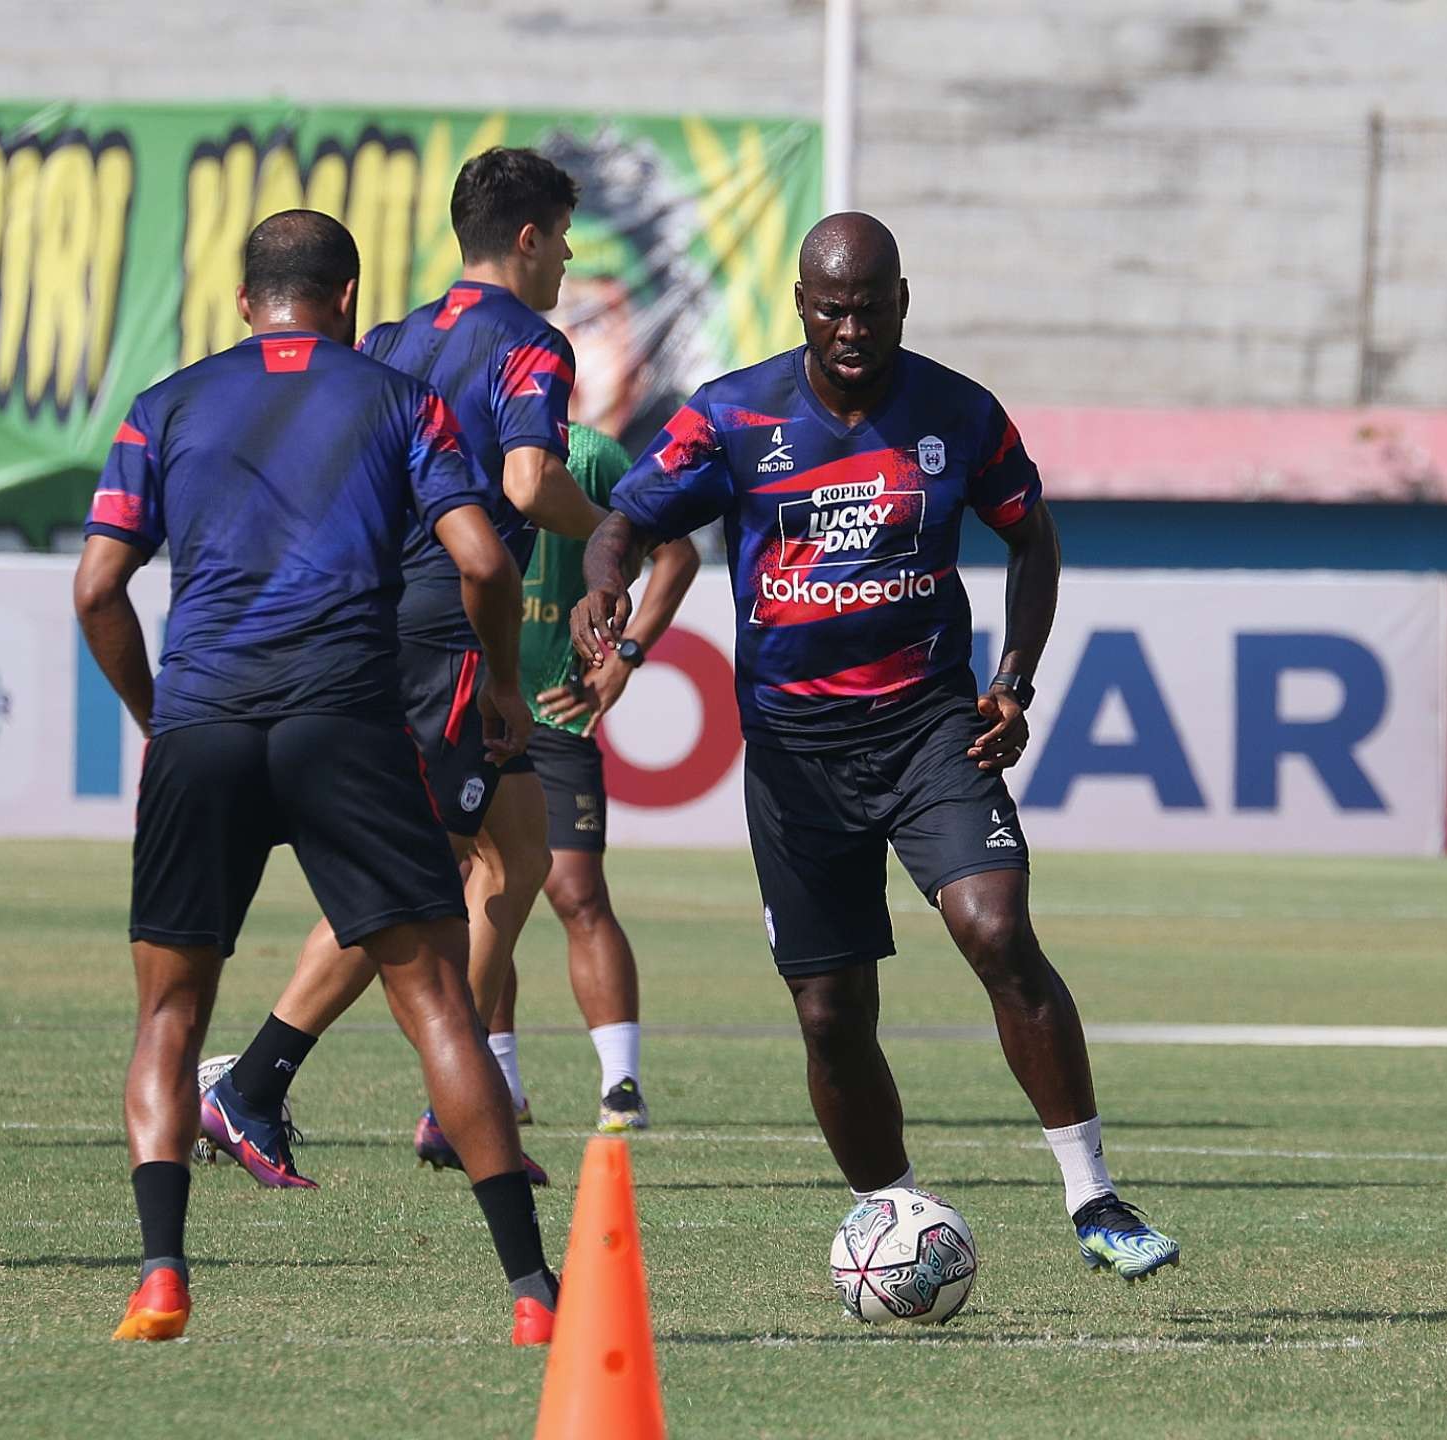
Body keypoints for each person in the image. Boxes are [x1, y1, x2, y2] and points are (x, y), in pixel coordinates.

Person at [571, 212, 1182, 1281]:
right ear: (802, 306)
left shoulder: (956, 413)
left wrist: (1014, 678)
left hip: (928, 726)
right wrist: (604, 581)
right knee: (829, 1011)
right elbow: (627, 519)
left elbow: (1030, 534)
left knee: (996, 931)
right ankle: (892, 1221)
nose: (849, 327)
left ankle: (1094, 1195)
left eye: (869, 306)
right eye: (829, 307)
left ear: (903, 300)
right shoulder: (731, 417)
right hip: (795, 755)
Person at [73, 210, 558, 1345]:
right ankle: (533, 1297)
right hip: (347, 716)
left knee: (168, 1013)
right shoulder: (398, 398)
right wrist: (495, 684)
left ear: (246, 302)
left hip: (203, 721)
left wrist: (160, 716)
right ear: (348, 298)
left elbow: (98, 588)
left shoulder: (166, 403)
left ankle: (159, 1277)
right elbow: (484, 557)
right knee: (435, 996)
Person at [217, 146, 610, 1183]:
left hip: (368, 609)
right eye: (563, 237)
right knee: (409, 877)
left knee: (516, 857)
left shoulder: (390, 336)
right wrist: (620, 524)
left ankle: (458, 1095)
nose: (567, 258)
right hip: (438, 638)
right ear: (527, 238)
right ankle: (253, 1083)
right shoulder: (531, 342)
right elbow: (528, 485)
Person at [512, 421, 699, 1132]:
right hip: (464, 707)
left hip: (556, 714)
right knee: (476, 897)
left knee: (577, 893)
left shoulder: (590, 456)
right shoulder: (447, 440)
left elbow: (674, 552)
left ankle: (621, 1083)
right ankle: (501, 1084)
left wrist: (624, 656)